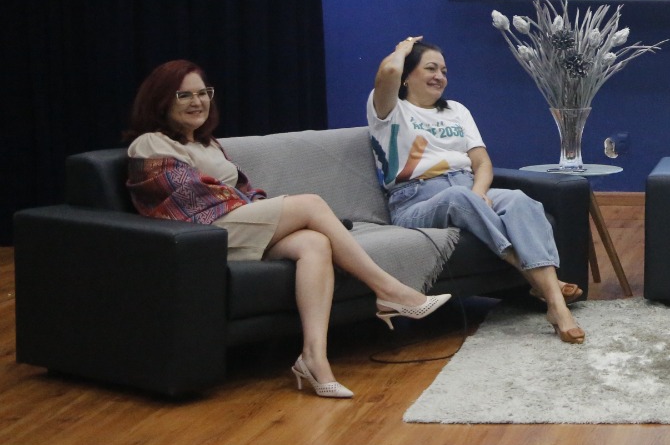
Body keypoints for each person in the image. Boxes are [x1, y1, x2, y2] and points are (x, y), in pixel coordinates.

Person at [124, 60, 449, 399]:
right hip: (200, 236)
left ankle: (313, 358)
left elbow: (242, 191)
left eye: (203, 93)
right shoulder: (150, 143)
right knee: (310, 204)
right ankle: (389, 290)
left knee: (314, 243)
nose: (198, 102)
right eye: (185, 95)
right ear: (162, 100)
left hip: (235, 226)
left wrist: (258, 208)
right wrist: (259, 208)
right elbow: (186, 199)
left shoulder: (208, 144)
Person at [367, 36, 585, 344]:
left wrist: (481, 191)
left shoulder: (456, 110)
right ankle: (554, 299)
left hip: (467, 187)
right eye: (430, 68)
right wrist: (403, 49)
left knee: (519, 200)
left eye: (444, 71)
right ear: (406, 76)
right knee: (459, 197)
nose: (440, 76)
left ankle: (546, 293)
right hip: (414, 201)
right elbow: (388, 71)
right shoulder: (390, 111)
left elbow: (482, 163)